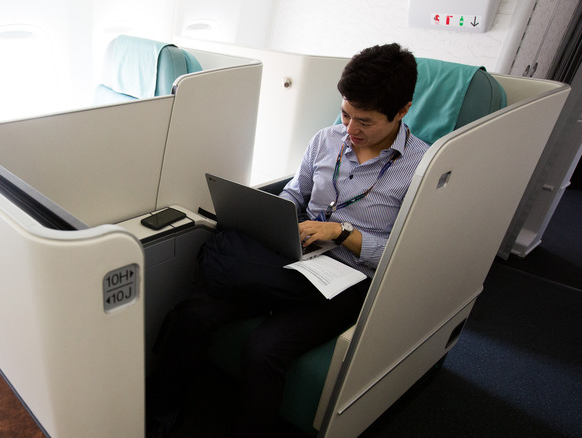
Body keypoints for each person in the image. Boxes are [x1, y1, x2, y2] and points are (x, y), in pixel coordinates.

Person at [147, 43, 430, 438]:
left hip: (349, 280)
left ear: (402, 111)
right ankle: (162, 413)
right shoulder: (325, 140)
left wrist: (344, 233)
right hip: (297, 259)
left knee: (264, 350)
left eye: (365, 121)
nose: (350, 130)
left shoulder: (423, 168)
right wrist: (276, 219)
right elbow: (295, 195)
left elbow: (405, 256)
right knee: (192, 316)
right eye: (346, 114)